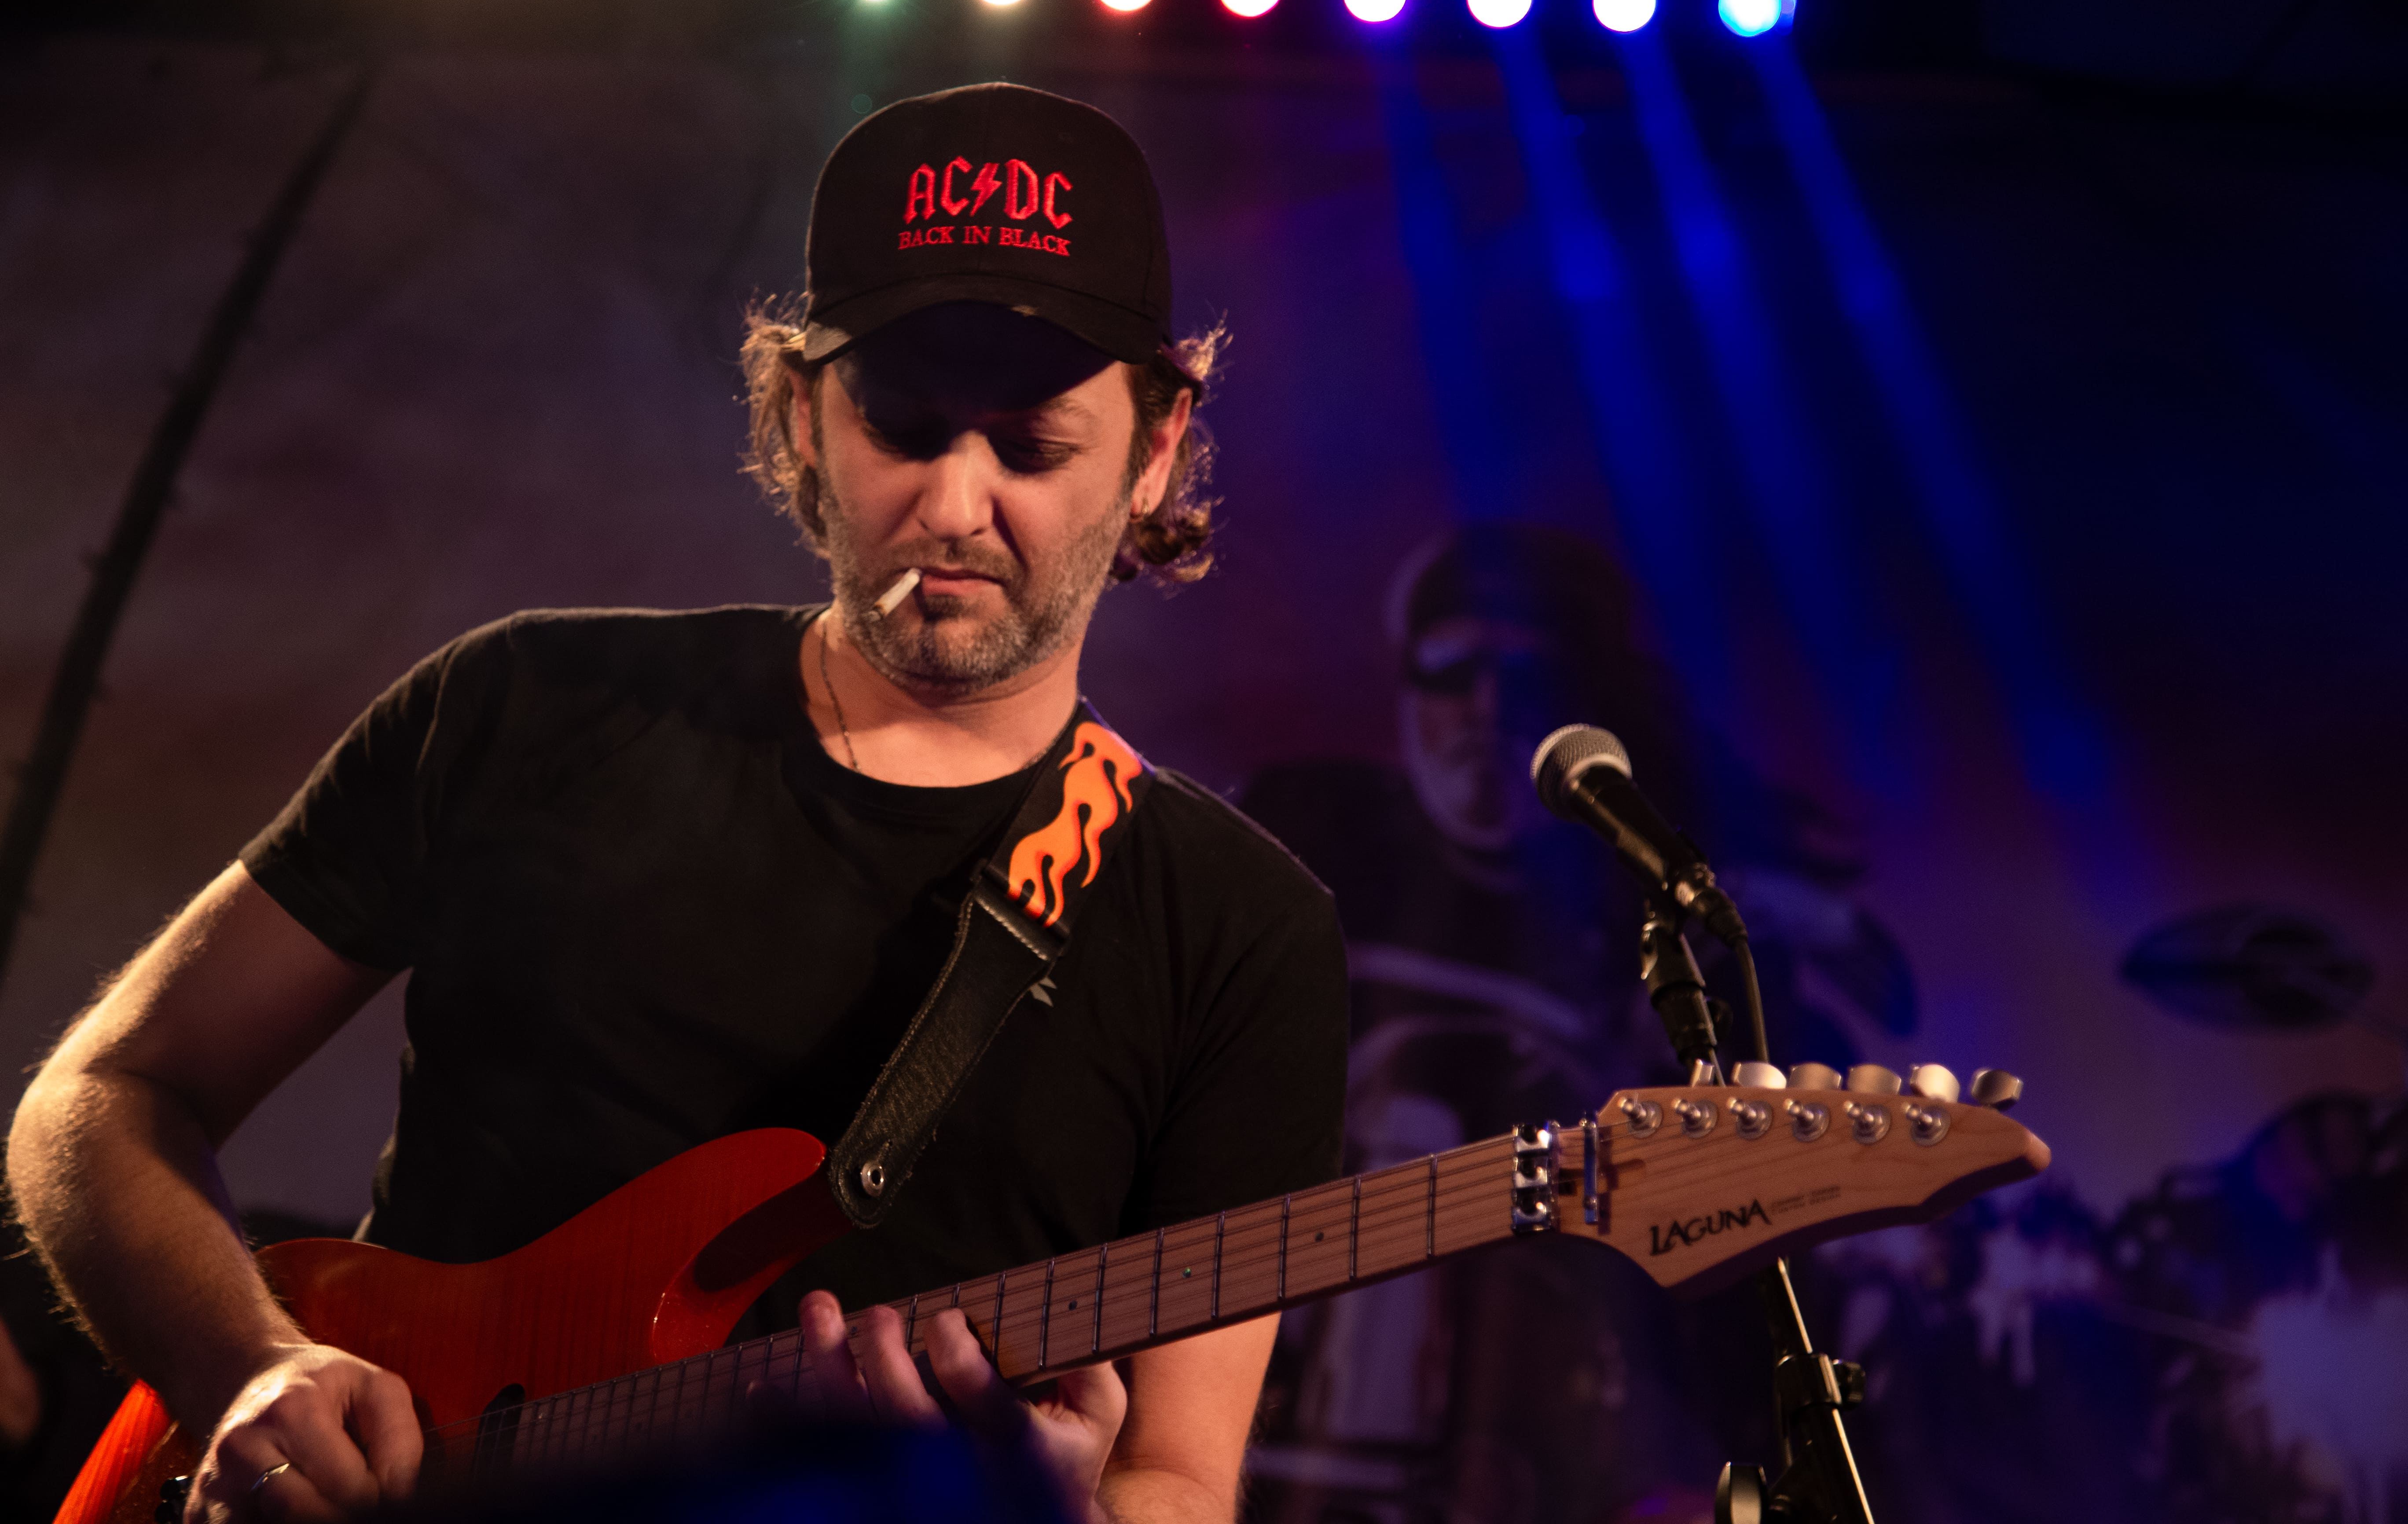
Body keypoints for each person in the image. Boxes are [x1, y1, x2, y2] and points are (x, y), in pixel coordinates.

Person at [6, 83, 1349, 1524]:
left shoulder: (1234, 930)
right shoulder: (522, 705)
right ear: (796, 411)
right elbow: (104, 1096)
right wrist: (246, 1369)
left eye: (1029, 447)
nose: (957, 503)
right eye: (902, 425)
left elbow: (1178, 1481)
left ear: (1154, 446)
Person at [1237, 523, 1913, 1524]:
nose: (1484, 710)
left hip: (1545, 1442)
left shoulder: (1651, 924)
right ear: (1404, 685)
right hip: (1275, 1399)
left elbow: (1738, 1233)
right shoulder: (1303, 839)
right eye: (1450, 669)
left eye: (1526, 681)